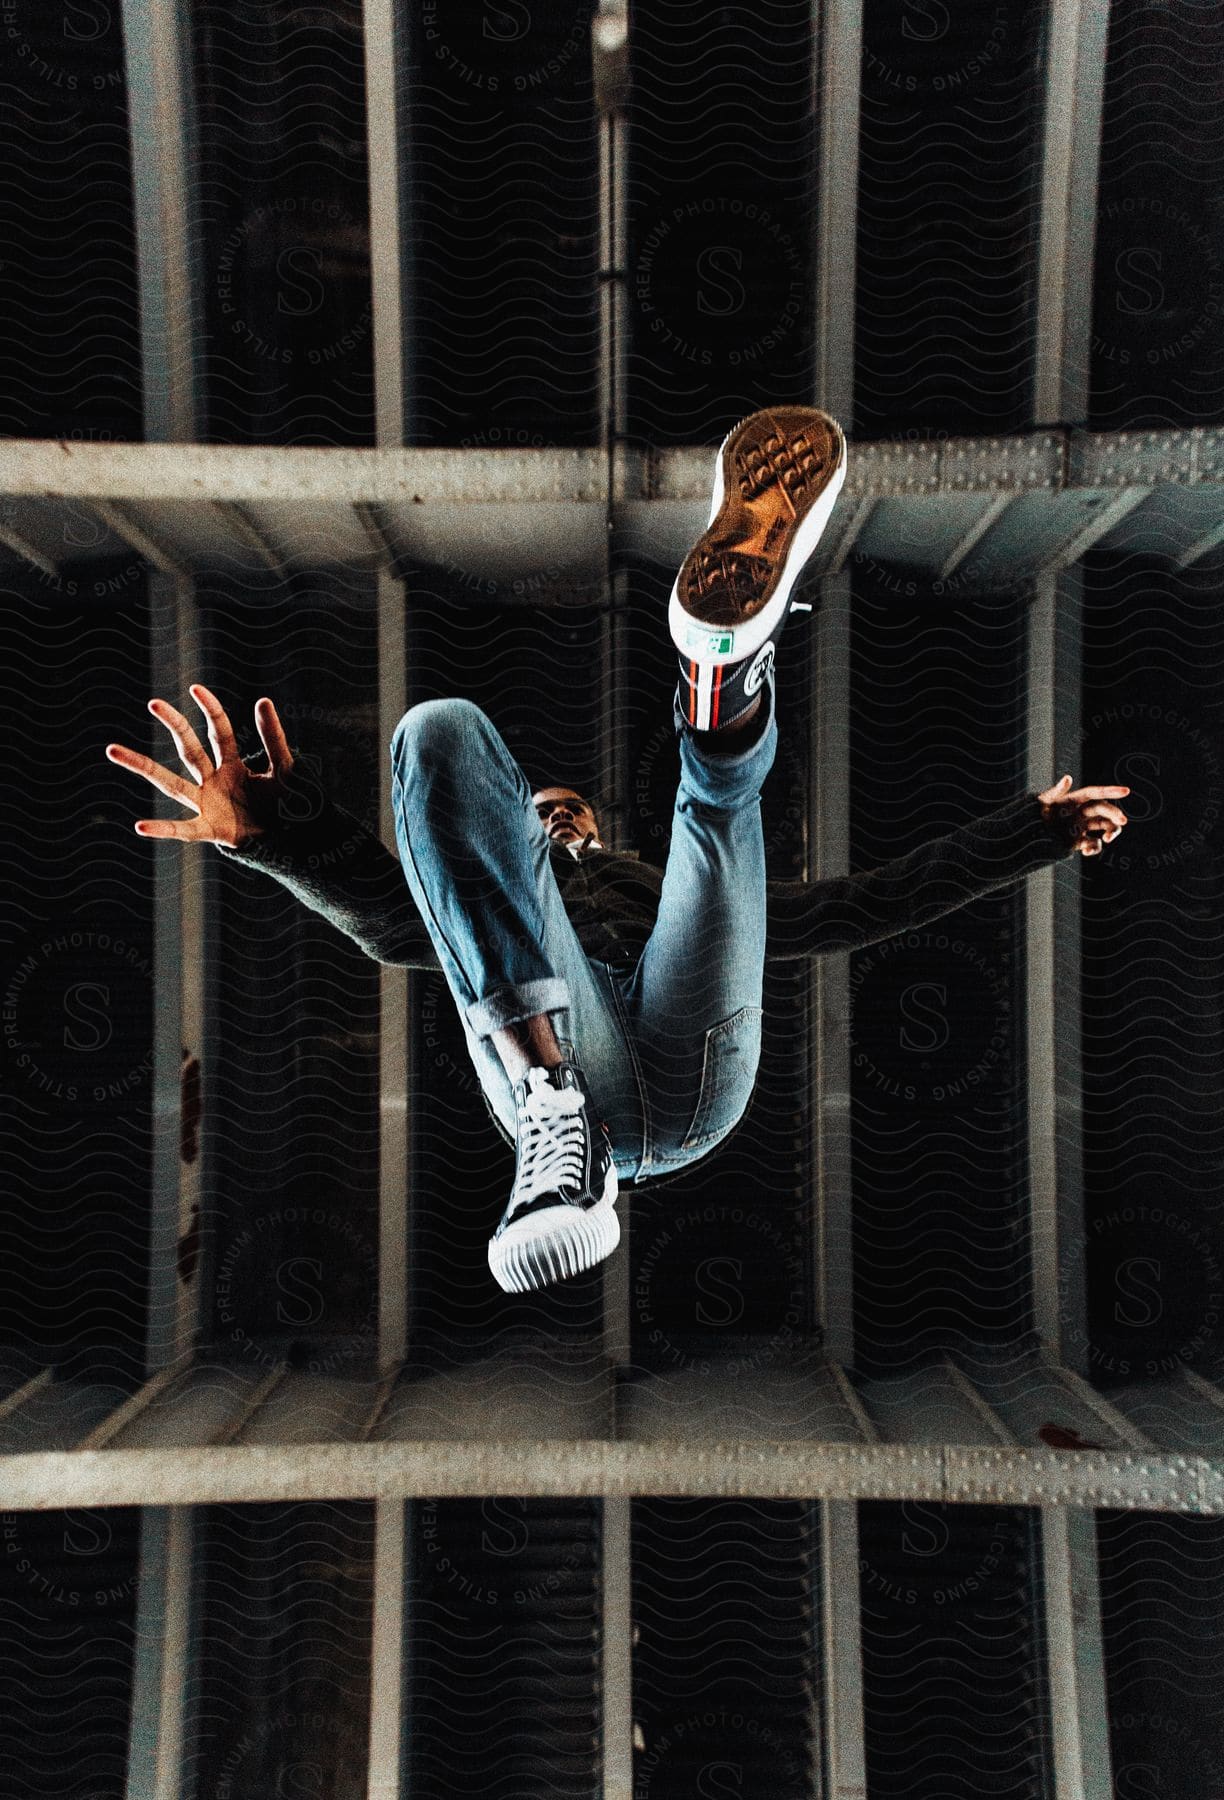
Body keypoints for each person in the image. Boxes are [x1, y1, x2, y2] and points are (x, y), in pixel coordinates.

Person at [104, 406, 1130, 1295]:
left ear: (586, 826)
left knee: (438, 733)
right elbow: (394, 914)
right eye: (538, 815)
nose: (553, 822)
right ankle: (723, 676)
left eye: (561, 813)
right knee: (719, 833)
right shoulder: (500, 909)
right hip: (690, 1087)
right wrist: (1031, 833)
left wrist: (281, 831)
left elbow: (392, 920)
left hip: (558, 1068)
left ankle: (556, 1101)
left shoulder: (594, 888)